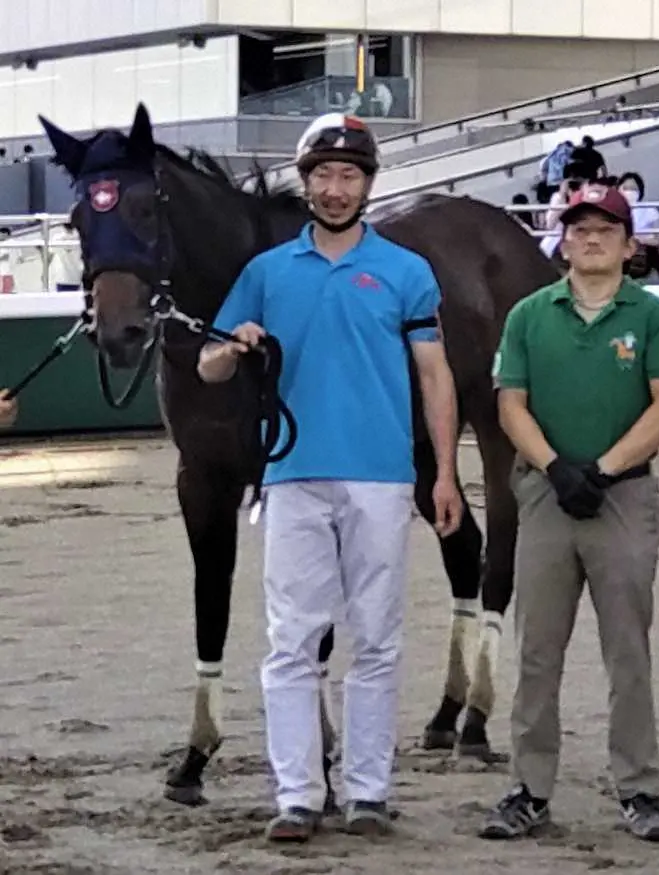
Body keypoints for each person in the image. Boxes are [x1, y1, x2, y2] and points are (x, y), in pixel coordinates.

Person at [197, 112, 463, 842]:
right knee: (292, 640)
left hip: (380, 475)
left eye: (349, 175)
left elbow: (434, 374)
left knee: (377, 636)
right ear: (307, 182)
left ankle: (369, 789)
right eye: (324, 175)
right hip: (290, 472)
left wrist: (445, 472)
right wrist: (234, 343)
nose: (336, 188)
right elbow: (209, 363)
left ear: (367, 184)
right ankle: (298, 793)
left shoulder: (406, 272)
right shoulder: (266, 272)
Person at [480, 183, 659, 843]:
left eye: (606, 227)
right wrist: (553, 467)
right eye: (580, 227)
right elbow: (510, 401)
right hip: (548, 492)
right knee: (538, 646)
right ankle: (529, 786)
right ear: (563, 239)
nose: (592, 237)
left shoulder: (654, 316)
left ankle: (639, 786)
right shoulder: (528, 314)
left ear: (629, 245)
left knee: (626, 646)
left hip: (623, 492)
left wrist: (603, 468)